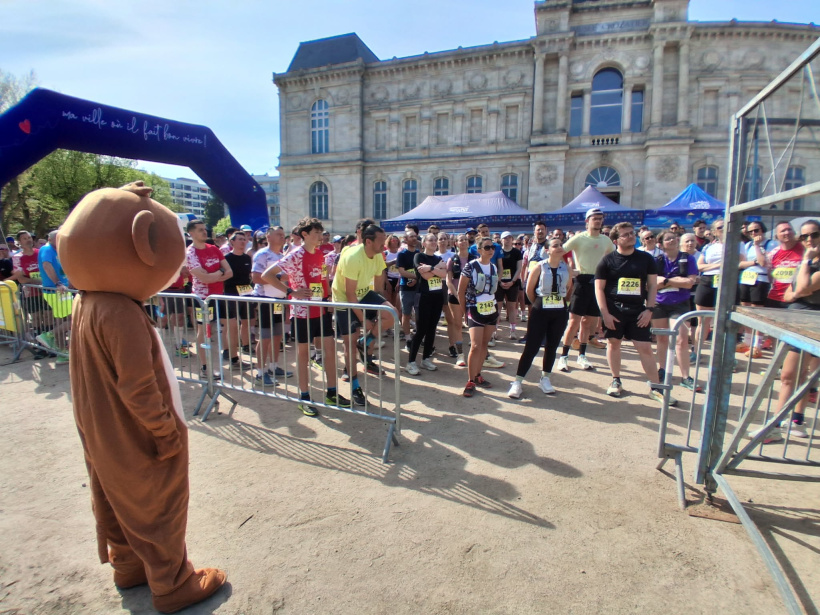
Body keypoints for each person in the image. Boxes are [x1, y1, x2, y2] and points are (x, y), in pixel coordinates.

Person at [264, 217, 352, 416]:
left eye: (321, 233)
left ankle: (331, 392)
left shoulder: (321, 254)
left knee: (330, 351)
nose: (321, 237)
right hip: (302, 312)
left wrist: (327, 299)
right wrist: (290, 292)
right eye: (316, 234)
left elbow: (322, 278)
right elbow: (267, 275)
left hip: (320, 309)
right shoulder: (295, 254)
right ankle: (304, 396)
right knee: (303, 355)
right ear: (304, 235)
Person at [750, 220, 820, 442]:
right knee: (791, 375)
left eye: (814, 235)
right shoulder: (805, 262)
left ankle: (792, 421)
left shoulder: (807, 260)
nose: (809, 240)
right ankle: (782, 423)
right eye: (805, 236)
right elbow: (790, 294)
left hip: (814, 324)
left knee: (801, 376)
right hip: (797, 320)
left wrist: (806, 264)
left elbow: (800, 288)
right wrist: (801, 286)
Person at [595, 222, 674, 405]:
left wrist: (649, 309)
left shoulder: (646, 259)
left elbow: (653, 285)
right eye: (625, 235)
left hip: (638, 310)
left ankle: (655, 388)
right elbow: (599, 289)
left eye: (632, 233)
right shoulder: (607, 261)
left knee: (644, 347)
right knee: (614, 343)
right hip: (614, 309)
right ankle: (616, 380)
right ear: (616, 241)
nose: (631, 236)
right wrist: (604, 313)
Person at [331, 224, 394, 407]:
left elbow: (378, 286)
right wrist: (364, 320)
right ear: (368, 241)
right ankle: (355, 388)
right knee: (349, 344)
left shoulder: (378, 255)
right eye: (381, 242)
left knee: (391, 314)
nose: (385, 245)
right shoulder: (352, 257)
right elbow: (350, 295)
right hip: (344, 299)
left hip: (364, 293)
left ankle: (364, 342)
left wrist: (378, 310)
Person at [508, 237, 571, 399]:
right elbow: (529, 290)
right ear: (547, 250)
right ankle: (518, 381)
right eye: (555, 245)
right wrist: (539, 303)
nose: (559, 247)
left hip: (559, 310)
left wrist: (564, 303)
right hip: (541, 308)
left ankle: (545, 378)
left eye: (561, 245)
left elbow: (569, 288)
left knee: (552, 345)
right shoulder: (539, 267)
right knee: (532, 346)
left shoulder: (567, 268)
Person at [557, 208, 613, 372]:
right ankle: (563, 356)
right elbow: (560, 252)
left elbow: (612, 259)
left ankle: (581, 355)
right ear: (587, 221)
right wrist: (568, 269)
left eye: (600, 218)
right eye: (594, 218)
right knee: (574, 321)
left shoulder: (606, 240)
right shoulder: (579, 238)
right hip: (582, 281)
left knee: (588, 323)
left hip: (598, 283)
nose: (598, 221)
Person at [651, 230, 700, 391]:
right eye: (667, 239)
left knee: (681, 340)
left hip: (680, 304)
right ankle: (663, 370)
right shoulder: (657, 260)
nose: (672, 240)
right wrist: (676, 281)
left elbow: (689, 283)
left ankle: (686, 377)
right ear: (661, 244)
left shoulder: (688, 258)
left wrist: (666, 280)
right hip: (659, 304)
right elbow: (652, 284)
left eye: (674, 238)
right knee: (662, 339)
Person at [186, 219, 233, 379]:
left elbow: (230, 272)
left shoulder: (214, 248)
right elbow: (204, 279)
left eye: (205, 229)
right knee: (204, 331)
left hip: (218, 296)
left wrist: (214, 275)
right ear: (191, 233)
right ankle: (205, 367)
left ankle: (216, 364)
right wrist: (219, 273)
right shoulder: (190, 253)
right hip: (203, 300)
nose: (204, 232)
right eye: (200, 230)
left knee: (217, 331)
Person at [459, 236, 502, 397]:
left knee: (484, 345)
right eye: (487, 247)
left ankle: (477, 375)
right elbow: (460, 291)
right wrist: (465, 313)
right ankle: (470, 380)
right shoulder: (471, 266)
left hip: (490, 309)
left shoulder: (493, 267)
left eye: (493, 248)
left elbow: (494, 291)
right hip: (474, 309)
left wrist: (497, 312)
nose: (491, 250)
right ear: (479, 250)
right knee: (475, 346)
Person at [251, 226, 290, 385]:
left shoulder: (282, 256)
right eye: (278, 235)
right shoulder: (262, 254)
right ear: (268, 237)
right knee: (265, 337)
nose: (282, 237)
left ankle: (274, 367)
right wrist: (280, 277)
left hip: (279, 301)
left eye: (283, 234)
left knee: (277, 335)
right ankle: (261, 373)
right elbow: (256, 278)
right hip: (265, 300)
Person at [406, 233, 447, 375]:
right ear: (423, 243)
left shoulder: (438, 258)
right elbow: (426, 276)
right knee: (421, 329)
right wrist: (437, 268)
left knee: (432, 329)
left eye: (435, 240)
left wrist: (431, 268)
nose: (434, 242)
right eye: (430, 240)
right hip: (423, 297)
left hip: (437, 297)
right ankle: (411, 362)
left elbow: (444, 275)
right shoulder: (419, 257)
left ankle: (426, 358)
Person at [737, 221, 777, 357]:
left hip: (760, 279)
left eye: (756, 230)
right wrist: (752, 262)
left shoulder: (770, 244)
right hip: (746, 278)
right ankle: (747, 342)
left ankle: (757, 345)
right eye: (750, 231)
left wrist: (757, 245)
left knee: (757, 312)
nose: (753, 234)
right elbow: (740, 263)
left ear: (763, 230)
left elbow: (763, 262)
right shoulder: (746, 245)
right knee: (746, 311)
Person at [221, 231, 255, 371]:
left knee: (247, 321)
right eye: (240, 239)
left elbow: (250, 275)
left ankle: (246, 345)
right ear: (232, 241)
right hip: (230, 294)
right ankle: (228, 351)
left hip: (245, 294)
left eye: (244, 239)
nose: (243, 242)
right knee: (231, 326)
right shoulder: (226, 258)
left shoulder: (247, 257)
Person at [37, 229, 73, 358]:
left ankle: (61, 352)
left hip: (61, 289)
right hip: (56, 290)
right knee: (72, 319)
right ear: (50, 239)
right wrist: (58, 283)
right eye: (57, 238)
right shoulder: (47, 249)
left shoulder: (56, 250)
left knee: (62, 319)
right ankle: (48, 336)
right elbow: (47, 265)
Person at [694, 219, 727, 350]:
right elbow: (700, 266)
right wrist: (719, 265)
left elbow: (738, 263)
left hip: (726, 282)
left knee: (725, 322)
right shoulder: (708, 247)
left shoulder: (737, 244)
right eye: (720, 227)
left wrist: (710, 266)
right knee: (702, 321)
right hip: (708, 281)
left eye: (726, 226)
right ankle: (696, 352)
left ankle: (725, 356)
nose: (723, 229)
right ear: (714, 231)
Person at [766, 220, 804, 309]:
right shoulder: (773, 253)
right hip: (775, 298)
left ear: (794, 232)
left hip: (796, 299)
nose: (787, 232)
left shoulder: (804, 249)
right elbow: (770, 275)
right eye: (783, 231)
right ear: (776, 236)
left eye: (789, 229)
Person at [446, 234, 470, 363]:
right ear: (456, 243)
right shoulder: (452, 260)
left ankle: (483, 354)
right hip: (455, 296)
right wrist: (457, 294)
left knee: (474, 324)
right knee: (457, 324)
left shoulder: (474, 259)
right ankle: (460, 355)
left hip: (471, 296)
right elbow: (448, 281)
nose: (464, 242)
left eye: (465, 240)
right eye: (461, 240)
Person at [497, 231, 523, 339]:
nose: (507, 240)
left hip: (513, 283)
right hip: (499, 283)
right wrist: (499, 281)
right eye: (505, 238)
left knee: (512, 307)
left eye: (509, 237)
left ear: (512, 239)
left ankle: (513, 331)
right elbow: (496, 268)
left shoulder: (517, 252)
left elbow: (519, 269)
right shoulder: (498, 252)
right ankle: (495, 331)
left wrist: (512, 281)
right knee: (497, 307)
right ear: (501, 240)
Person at [397, 227, 420, 344]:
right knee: (406, 314)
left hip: (418, 289)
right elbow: (401, 271)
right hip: (406, 289)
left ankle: (418, 336)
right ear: (405, 239)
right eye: (411, 236)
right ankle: (407, 338)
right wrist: (415, 277)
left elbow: (421, 270)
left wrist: (416, 279)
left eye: (415, 236)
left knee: (419, 314)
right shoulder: (402, 254)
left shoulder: (419, 254)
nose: (414, 238)